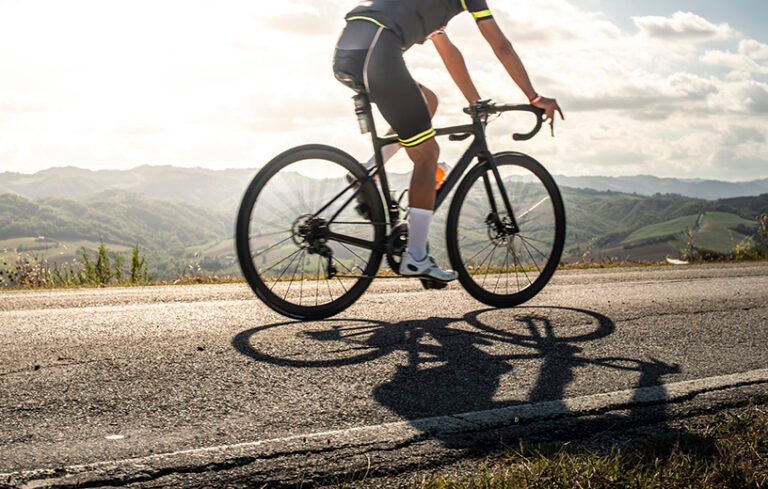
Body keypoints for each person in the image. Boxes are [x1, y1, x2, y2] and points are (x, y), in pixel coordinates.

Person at [333, 0, 563, 283]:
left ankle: (367, 170)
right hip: (378, 50)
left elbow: (449, 54)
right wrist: (533, 96)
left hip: (348, 50)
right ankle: (416, 256)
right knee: (427, 155)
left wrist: (474, 102)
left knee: (428, 101)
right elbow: (500, 46)